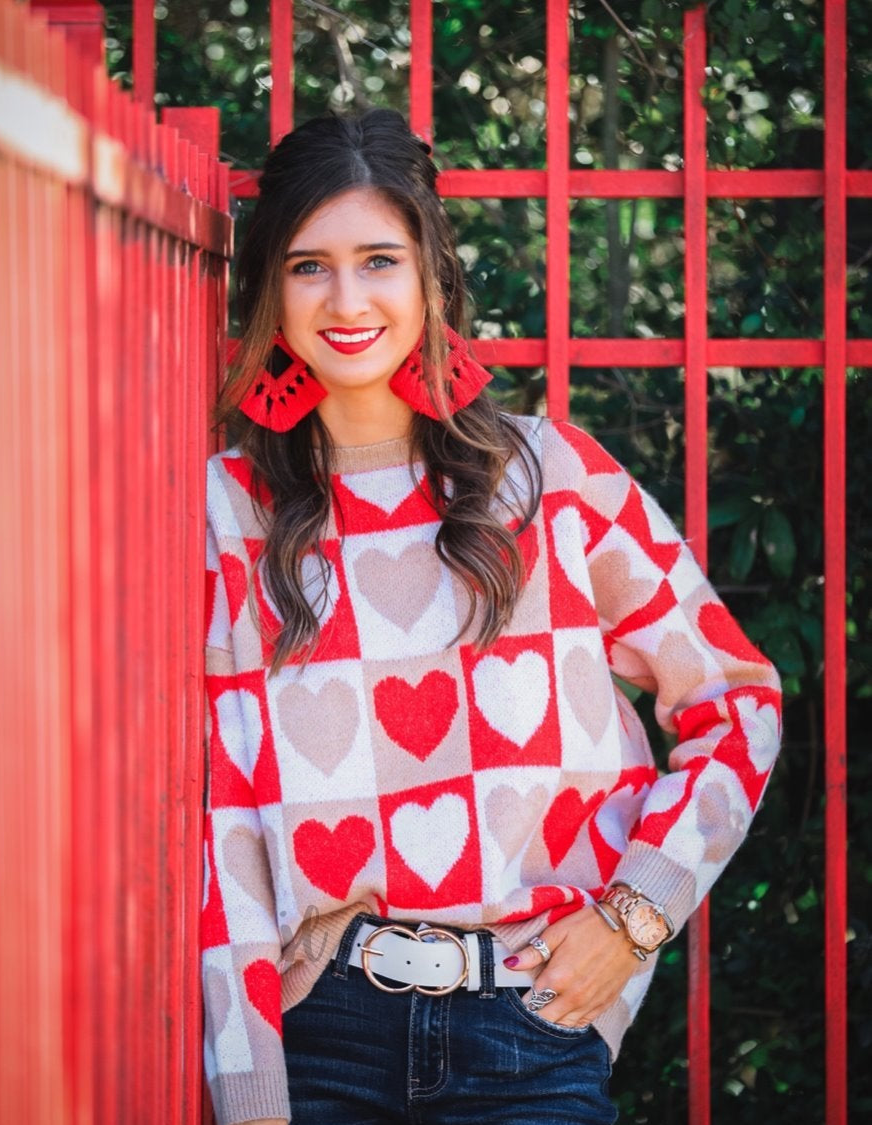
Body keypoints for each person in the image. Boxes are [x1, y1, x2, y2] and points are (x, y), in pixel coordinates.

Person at [202, 108, 781, 1125]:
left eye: (379, 260)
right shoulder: (232, 508)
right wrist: (250, 1089)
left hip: (533, 1027)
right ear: (269, 289)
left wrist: (635, 917)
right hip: (322, 1035)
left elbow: (738, 704)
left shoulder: (550, 479)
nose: (347, 300)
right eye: (309, 266)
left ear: (431, 276)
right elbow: (227, 825)